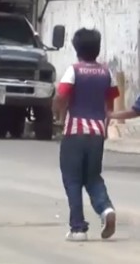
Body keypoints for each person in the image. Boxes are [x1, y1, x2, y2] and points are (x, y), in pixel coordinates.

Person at [54, 28, 118, 242]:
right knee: (92, 177)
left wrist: (59, 115)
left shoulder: (74, 70)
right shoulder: (107, 73)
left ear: (76, 48)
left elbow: (62, 96)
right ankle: (106, 209)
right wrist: (105, 125)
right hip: (97, 131)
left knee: (72, 179)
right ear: (97, 49)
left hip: (75, 131)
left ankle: (78, 228)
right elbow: (109, 106)